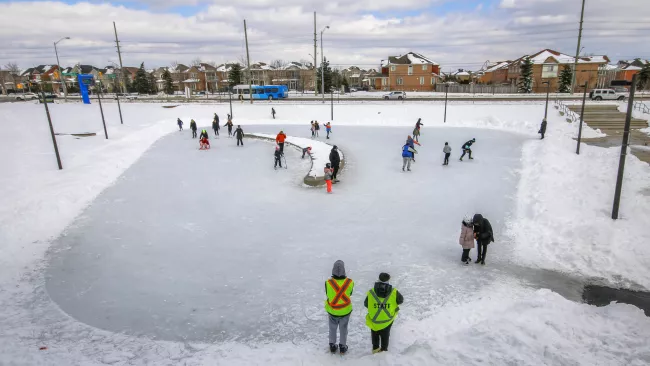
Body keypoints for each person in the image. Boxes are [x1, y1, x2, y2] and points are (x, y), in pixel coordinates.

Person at [364, 273, 404, 353]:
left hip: (374, 319)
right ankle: (383, 350)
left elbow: (366, 304)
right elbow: (400, 301)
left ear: (379, 279)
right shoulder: (394, 292)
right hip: (387, 319)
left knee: (375, 333)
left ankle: (375, 349)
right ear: (388, 280)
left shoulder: (371, 292)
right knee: (385, 334)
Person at [325, 260, 354, 354]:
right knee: (343, 329)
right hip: (345, 311)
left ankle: (332, 346)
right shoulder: (350, 282)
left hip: (332, 310)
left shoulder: (328, 283)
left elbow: (328, 294)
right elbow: (350, 293)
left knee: (332, 328)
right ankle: (342, 346)